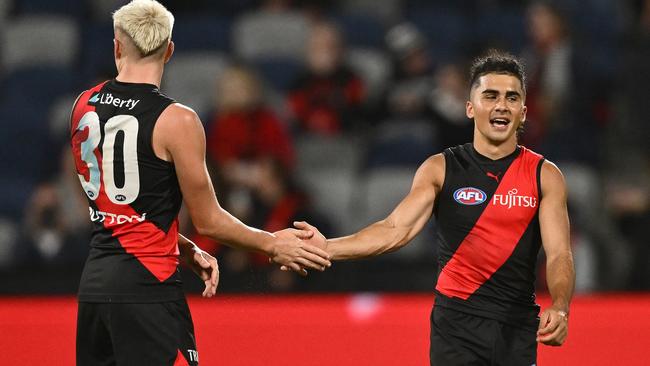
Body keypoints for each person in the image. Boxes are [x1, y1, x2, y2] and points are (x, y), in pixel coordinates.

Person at [69, 1, 330, 365]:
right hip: (148, 288)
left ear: (116, 47)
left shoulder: (83, 105)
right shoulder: (178, 120)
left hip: (95, 286)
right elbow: (208, 220)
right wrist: (272, 245)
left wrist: (183, 247)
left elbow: (117, 212)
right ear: (169, 50)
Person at [295, 51, 575, 365]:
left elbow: (560, 254)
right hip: (456, 327)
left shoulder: (544, 175)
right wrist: (327, 248)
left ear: (523, 112)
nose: (501, 105)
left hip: (517, 328)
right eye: (490, 95)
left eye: (512, 98)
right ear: (470, 108)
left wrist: (561, 306)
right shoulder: (441, 169)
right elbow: (394, 230)